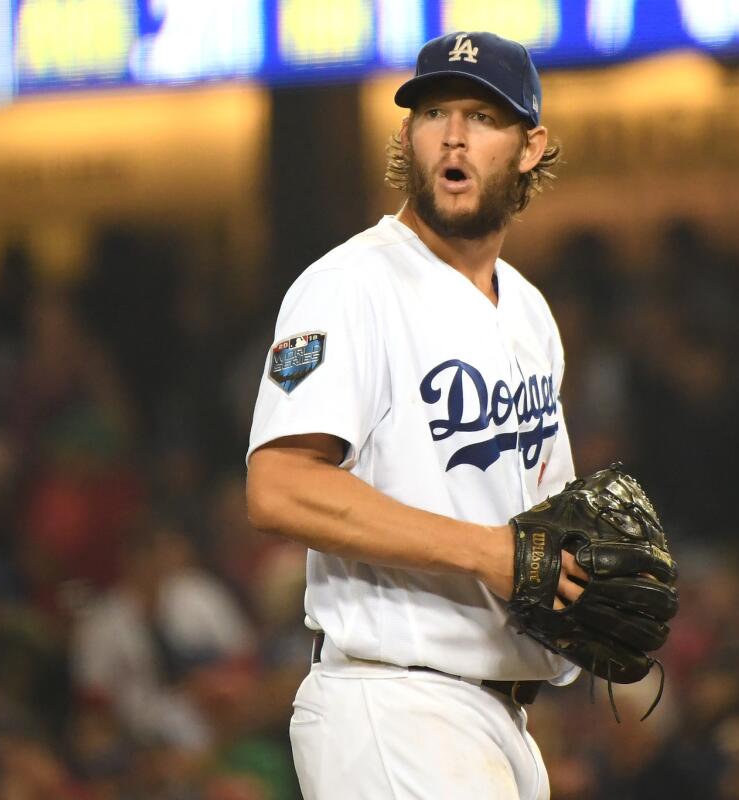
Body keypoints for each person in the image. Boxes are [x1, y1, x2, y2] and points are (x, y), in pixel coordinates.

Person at [246, 31, 586, 800]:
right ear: (408, 136)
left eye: (483, 116)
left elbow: (538, 525)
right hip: (392, 700)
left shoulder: (529, 310)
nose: (455, 135)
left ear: (531, 146)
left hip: (495, 713)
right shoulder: (350, 287)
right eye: (435, 112)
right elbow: (279, 487)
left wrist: (579, 591)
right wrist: (487, 553)